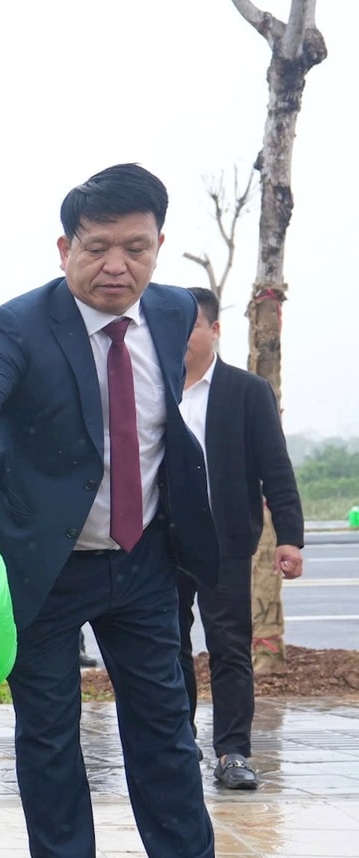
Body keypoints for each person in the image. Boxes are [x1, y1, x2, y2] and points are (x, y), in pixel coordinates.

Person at [0, 165, 227, 858]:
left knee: (164, 733)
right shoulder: (19, 325)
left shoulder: (169, 312)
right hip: (43, 568)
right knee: (50, 738)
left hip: (144, 562)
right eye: (98, 249)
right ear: (65, 249)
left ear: (160, 247)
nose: (117, 267)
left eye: (137, 247)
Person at [175, 286, 305, 791]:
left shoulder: (247, 391)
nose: (180, 338)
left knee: (229, 647)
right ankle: (178, 747)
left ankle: (233, 752)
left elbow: (275, 468)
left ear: (214, 329)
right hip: (163, 541)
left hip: (226, 540)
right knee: (168, 647)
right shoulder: (153, 387)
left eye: (191, 327)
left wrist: (289, 537)